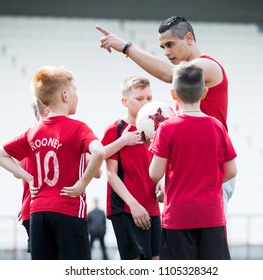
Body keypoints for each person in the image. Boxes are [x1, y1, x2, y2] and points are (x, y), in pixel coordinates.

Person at [97, 16, 235, 215]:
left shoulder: (207, 66)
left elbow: (171, 74)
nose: (167, 52)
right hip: (189, 170)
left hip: (210, 168)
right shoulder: (185, 92)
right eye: (163, 47)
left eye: (170, 44)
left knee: (210, 242)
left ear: (189, 38)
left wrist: (126, 48)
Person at [0, 66, 105, 260]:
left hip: (38, 213)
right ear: (65, 95)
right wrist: (82, 183)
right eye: (75, 90)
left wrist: (29, 178)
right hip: (68, 210)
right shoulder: (78, 128)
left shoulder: (33, 131)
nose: (77, 95)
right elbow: (100, 152)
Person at [149, 63, 237, 259]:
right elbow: (231, 170)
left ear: (173, 94)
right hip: (212, 215)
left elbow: (155, 173)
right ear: (204, 92)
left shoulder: (167, 128)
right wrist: (209, 182)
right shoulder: (217, 126)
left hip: (178, 216)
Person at [101, 76, 162, 260]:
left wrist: (161, 183)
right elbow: (110, 173)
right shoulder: (116, 129)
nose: (146, 103)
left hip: (152, 207)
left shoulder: (155, 128)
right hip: (127, 208)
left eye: (149, 98)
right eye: (139, 98)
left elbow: (157, 166)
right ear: (125, 102)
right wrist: (133, 204)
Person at [17, 97, 49, 254]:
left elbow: (18, 173)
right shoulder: (52, 137)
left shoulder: (27, 137)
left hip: (29, 206)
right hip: (47, 207)